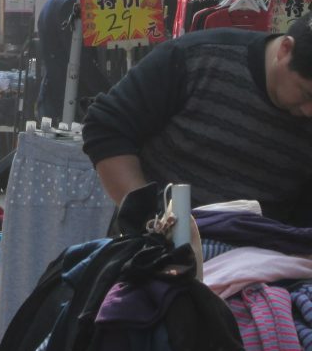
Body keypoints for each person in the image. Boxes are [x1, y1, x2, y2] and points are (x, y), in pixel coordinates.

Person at [82, 14, 312, 226]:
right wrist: (149, 220)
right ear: (285, 49)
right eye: (306, 94)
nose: (310, 111)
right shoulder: (197, 57)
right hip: (159, 245)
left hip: (265, 251)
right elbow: (106, 127)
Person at [36, 0, 121, 122]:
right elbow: (81, 62)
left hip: (55, 101)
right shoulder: (70, 4)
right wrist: (113, 98)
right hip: (65, 107)